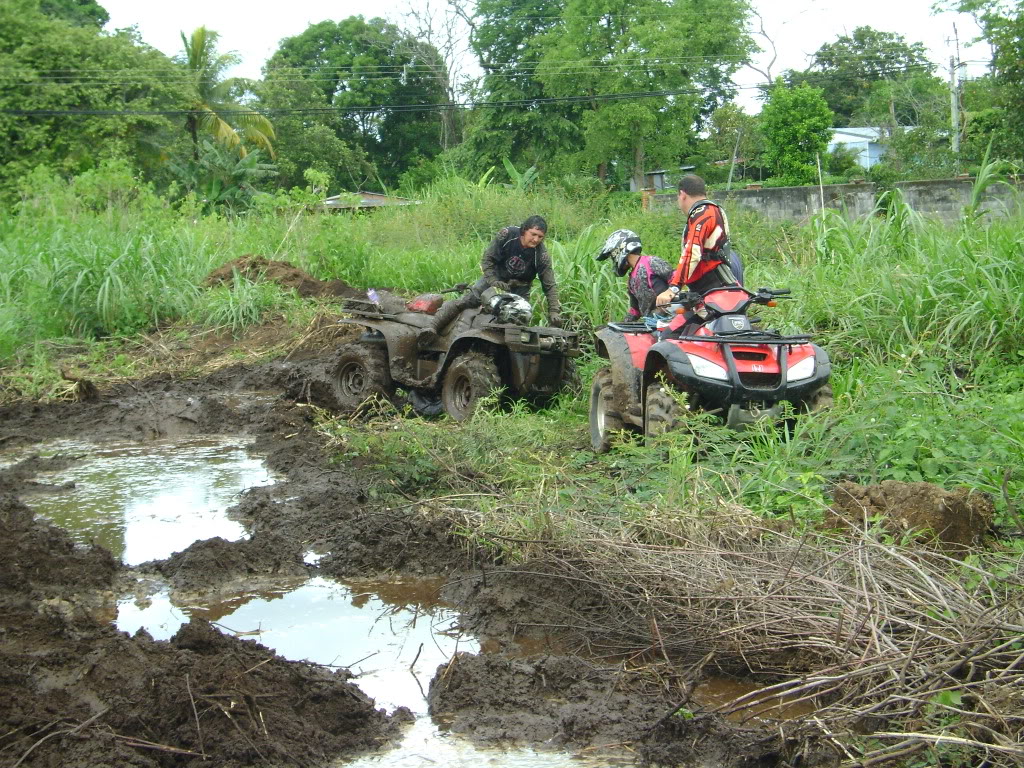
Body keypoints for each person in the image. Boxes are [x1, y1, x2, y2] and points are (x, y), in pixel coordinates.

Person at [418, 215, 562, 346]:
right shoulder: (507, 235)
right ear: (524, 230)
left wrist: (554, 311)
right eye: (533, 234)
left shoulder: (541, 256)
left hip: (520, 289)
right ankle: (432, 327)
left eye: (540, 237)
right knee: (466, 302)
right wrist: (493, 280)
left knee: (520, 319)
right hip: (494, 278)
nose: (536, 239)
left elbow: (549, 285)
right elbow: (487, 259)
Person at [655, 174, 743, 309]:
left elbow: (692, 253)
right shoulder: (714, 210)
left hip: (712, 289)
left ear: (682, 194)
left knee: (675, 329)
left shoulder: (702, 213)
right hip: (713, 287)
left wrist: (673, 288)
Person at [596, 229, 673, 322]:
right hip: (653, 324)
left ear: (619, 250)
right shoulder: (631, 280)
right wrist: (621, 325)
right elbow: (635, 311)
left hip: (671, 319)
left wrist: (670, 291)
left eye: (612, 256)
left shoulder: (651, 263)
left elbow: (677, 277)